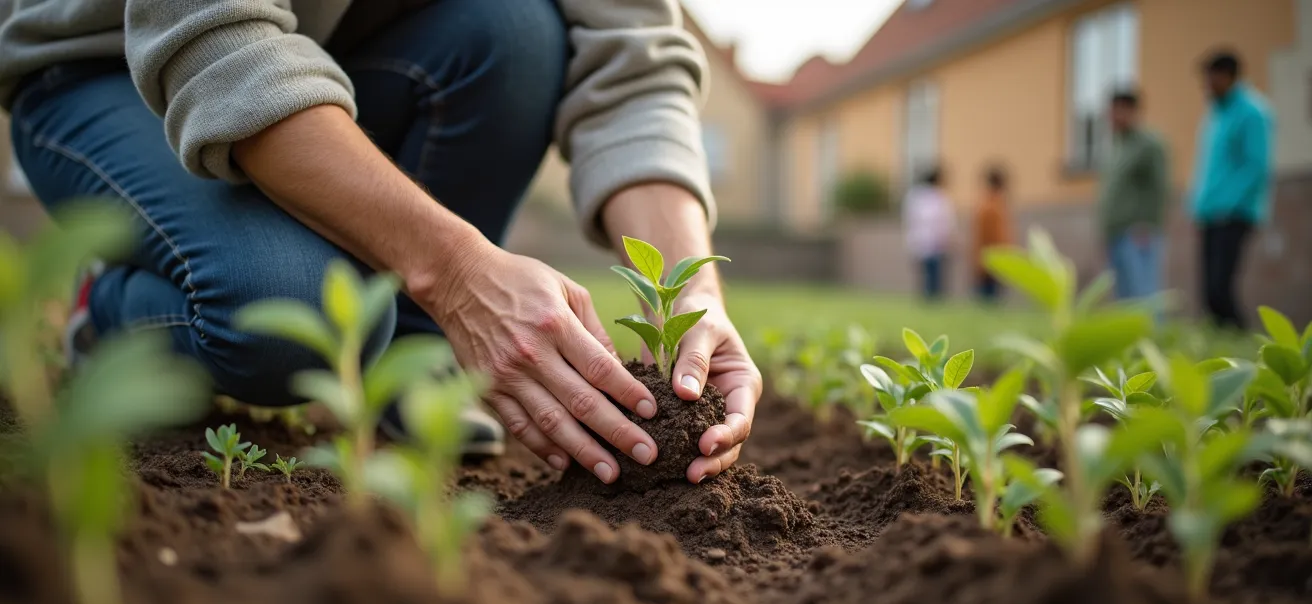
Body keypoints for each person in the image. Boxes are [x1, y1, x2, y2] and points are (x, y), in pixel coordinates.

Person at [1, 0, 761, 486]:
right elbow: (211, 39)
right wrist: (459, 272)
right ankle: (104, 315)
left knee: (516, 27)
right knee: (290, 317)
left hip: (337, 58)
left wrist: (693, 297)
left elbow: (633, 64)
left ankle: (417, 360)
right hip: (105, 66)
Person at [1189, 50, 1274, 330]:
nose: (1207, 84)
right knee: (1209, 292)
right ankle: (1220, 342)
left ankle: (1241, 338)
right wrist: (1199, 203)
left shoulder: (1253, 112)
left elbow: (1256, 166)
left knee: (1220, 287)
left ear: (1228, 76)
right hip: (1210, 212)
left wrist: (1230, 204)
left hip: (1234, 213)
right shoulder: (1215, 115)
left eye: (1211, 77)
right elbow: (1210, 167)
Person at [1098, 89, 1169, 307]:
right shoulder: (1116, 146)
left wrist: (1148, 224)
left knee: (1143, 291)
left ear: (1133, 111)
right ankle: (1130, 339)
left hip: (1138, 232)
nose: (1113, 117)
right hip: (1115, 231)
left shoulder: (1150, 144)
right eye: (1111, 111)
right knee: (1124, 296)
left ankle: (1151, 337)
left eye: (1119, 110)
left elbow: (1160, 188)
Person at [902, 166, 956, 300]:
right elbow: (945, 221)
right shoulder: (939, 198)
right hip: (933, 242)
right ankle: (931, 298)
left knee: (928, 274)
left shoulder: (916, 197)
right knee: (933, 274)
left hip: (923, 241)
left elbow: (909, 219)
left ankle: (929, 297)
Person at [972, 165, 1013, 301]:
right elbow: (993, 236)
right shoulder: (991, 206)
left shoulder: (993, 204)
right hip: (991, 261)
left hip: (991, 259)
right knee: (989, 301)